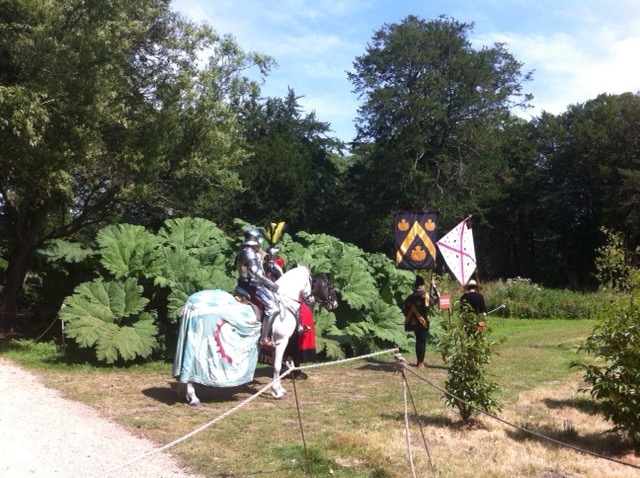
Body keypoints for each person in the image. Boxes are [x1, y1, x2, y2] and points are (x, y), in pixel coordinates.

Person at [235, 227, 280, 347]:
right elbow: (255, 272)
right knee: (273, 308)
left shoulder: (245, 251)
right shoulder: (249, 252)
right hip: (250, 286)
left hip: (248, 283)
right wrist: (271, 284)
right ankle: (264, 339)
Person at [402, 275, 438, 368]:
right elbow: (436, 299)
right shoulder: (424, 295)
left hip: (412, 322)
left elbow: (404, 308)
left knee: (418, 341)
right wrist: (434, 286)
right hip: (422, 322)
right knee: (422, 342)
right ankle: (420, 362)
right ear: (422, 286)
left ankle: (419, 360)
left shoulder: (409, 297)